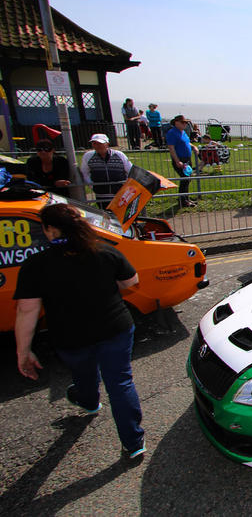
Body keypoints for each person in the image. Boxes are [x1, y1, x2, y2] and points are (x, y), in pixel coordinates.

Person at [14, 203, 146, 459]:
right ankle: (133, 443)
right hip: (115, 329)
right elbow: (132, 282)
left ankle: (88, 402)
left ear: (51, 230)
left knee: (83, 373)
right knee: (120, 382)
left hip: (70, 336)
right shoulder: (105, 252)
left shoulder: (35, 265)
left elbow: (26, 312)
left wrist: (23, 352)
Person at [80, 133, 132, 207]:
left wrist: (125, 185)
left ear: (107, 144)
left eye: (100, 143)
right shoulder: (88, 156)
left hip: (120, 194)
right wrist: (93, 186)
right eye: (94, 143)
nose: (97, 146)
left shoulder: (119, 155)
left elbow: (130, 170)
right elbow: (84, 173)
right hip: (101, 195)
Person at [166, 116, 200, 207]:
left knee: (188, 179)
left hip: (187, 159)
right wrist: (177, 161)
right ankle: (183, 200)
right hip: (180, 159)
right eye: (183, 122)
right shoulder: (172, 133)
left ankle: (185, 198)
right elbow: (171, 148)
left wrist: (193, 147)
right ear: (176, 122)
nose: (185, 124)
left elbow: (187, 142)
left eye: (186, 123)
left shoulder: (183, 132)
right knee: (185, 179)